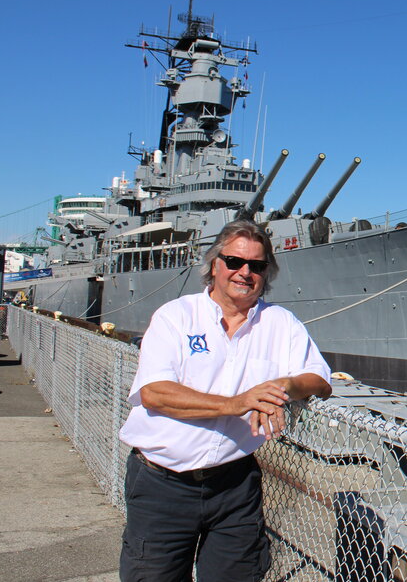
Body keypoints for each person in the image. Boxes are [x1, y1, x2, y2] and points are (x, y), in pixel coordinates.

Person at [118, 219, 332, 581]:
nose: (244, 272)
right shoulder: (175, 317)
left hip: (234, 486)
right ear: (215, 264)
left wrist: (283, 386)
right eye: (234, 262)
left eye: (257, 266)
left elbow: (320, 381)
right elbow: (154, 393)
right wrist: (238, 403)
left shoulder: (281, 323)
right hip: (163, 485)